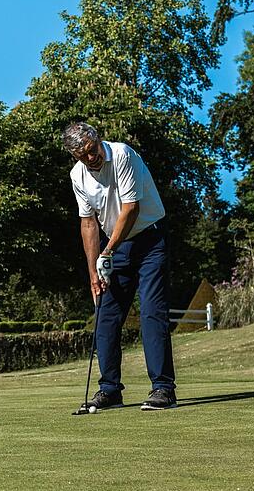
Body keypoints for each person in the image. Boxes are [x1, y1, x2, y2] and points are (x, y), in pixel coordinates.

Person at [63, 121, 177, 411]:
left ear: (98, 140)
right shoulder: (78, 176)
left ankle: (163, 389)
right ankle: (110, 390)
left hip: (149, 241)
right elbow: (88, 223)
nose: (91, 158)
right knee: (106, 317)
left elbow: (131, 208)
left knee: (152, 314)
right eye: (83, 155)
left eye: (92, 150)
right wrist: (92, 272)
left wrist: (107, 251)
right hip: (115, 248)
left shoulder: (123, 155)